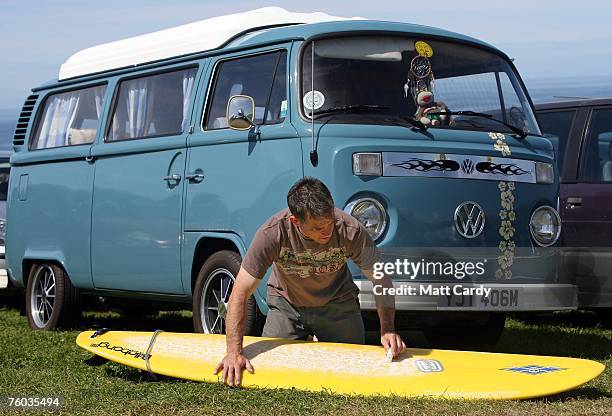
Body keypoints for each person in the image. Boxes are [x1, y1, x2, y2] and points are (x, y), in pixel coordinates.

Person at [215, 177, 405, 386]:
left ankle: (318, 339)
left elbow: (381, 279)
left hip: (338, 304)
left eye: (329, 221)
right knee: (269, 370)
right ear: (296, 222)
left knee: (350, 372)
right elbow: (239, 294)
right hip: (286, 305)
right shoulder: (273, 233)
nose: (327, 231)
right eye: (317, 227)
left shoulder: (351, 230)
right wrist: (233, 352)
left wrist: (387, 328)